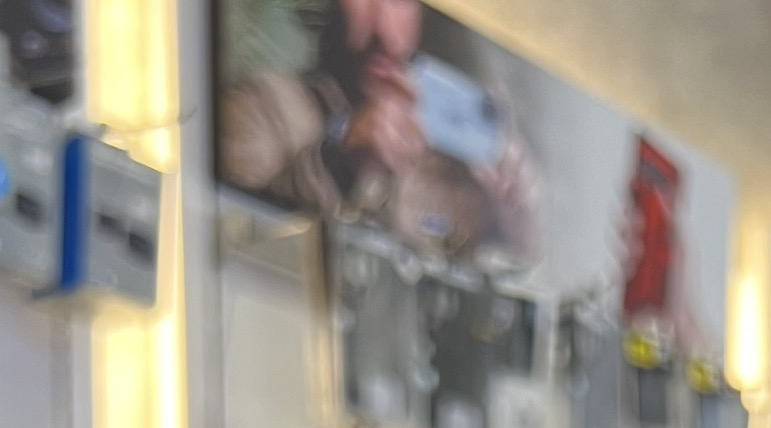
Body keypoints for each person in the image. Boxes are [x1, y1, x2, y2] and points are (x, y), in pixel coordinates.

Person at [218, 0, 534, 264]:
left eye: (401, 1)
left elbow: (495, 280)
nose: (385, 31)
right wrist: (341, 165)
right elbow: (229, 246)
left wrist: (512, 226)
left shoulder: (447, 167)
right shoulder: (261, 108)